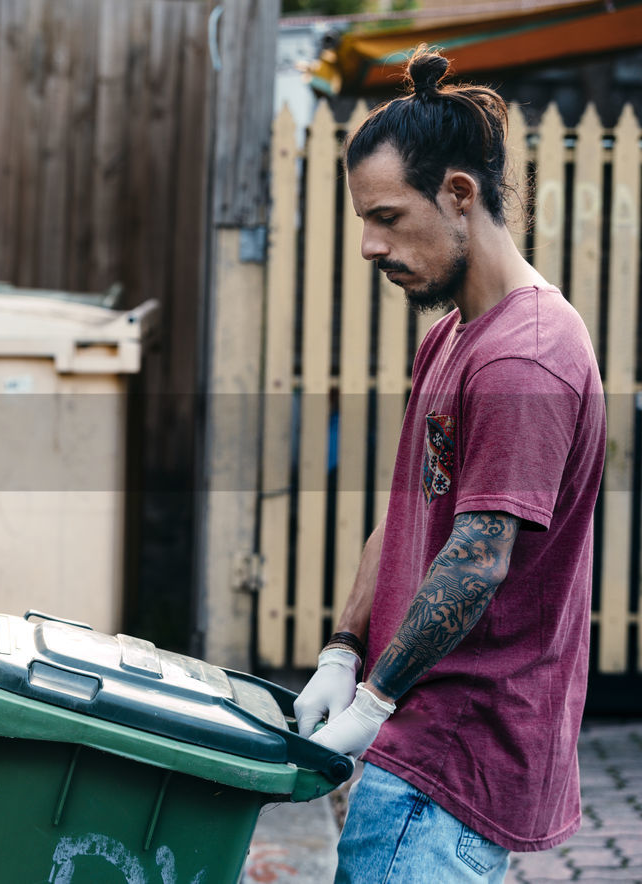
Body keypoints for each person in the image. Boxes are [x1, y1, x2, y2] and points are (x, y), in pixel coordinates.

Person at [292, 47, 606, 883]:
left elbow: (476, 560)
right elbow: (409, 512)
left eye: (387, 217)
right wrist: (340, 649)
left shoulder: (525, 359)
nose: (367, 245)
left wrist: (370, 705)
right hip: (416, 747)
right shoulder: (456, 334)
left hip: (451, 765)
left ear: (459, 195)